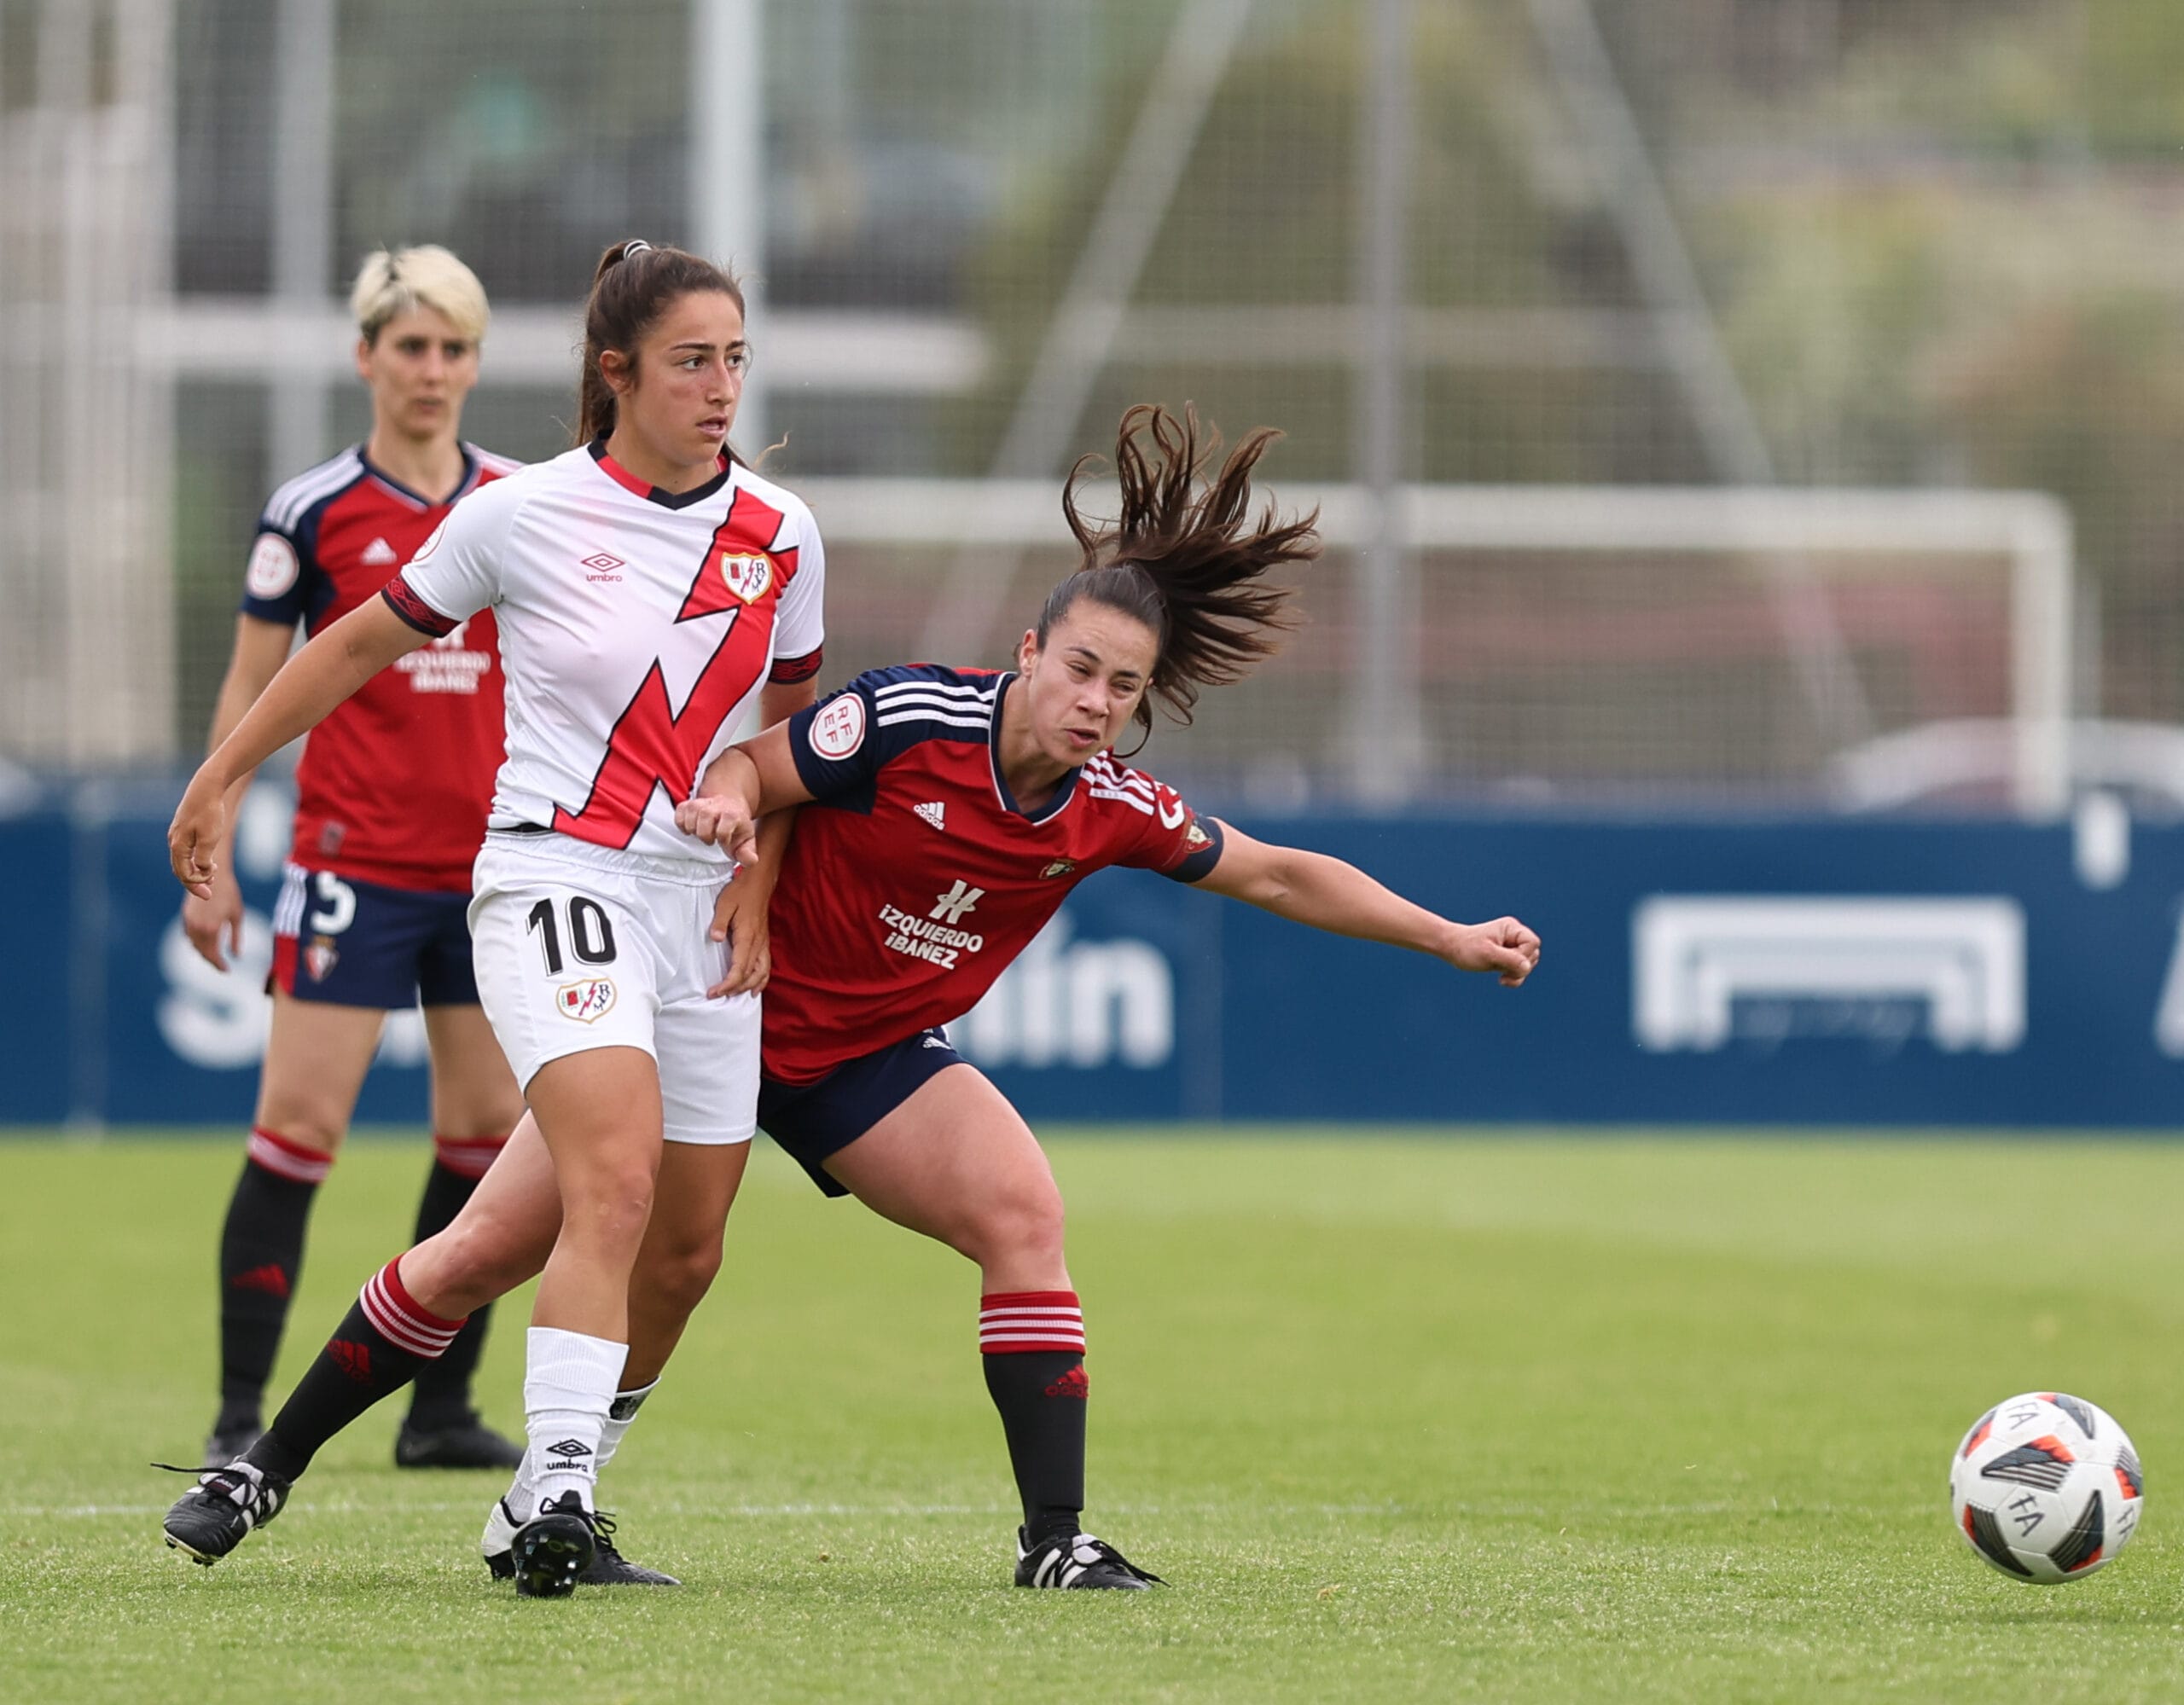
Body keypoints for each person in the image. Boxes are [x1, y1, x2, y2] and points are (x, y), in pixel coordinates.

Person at [159, 405, 1536, 1596]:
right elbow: (759, 766)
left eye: (1124, 686)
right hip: (715, 1002)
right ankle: (262, 1469)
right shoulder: (908, 718)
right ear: (1028, 652)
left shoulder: (1110, 806)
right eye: (1079, 670)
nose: (1097, 702)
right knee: (486, 1253)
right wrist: (729, 828)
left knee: (1017, 1211)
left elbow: (1284, 875)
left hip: (859, 1060)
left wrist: (1450, 936)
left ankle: (1046, 1538)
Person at [160, 240, 825, 1598]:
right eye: (693, 360)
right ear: (615, 370)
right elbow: (347, 644)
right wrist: (220, 777)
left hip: (698, 915)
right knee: (617, 1180)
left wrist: (758, 863)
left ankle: (265, 1462)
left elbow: (792, 734)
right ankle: (563, 1496)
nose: (720, 387)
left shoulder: (783, 533)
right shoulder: (524, 513)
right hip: (552, 877)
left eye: (736, 360)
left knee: (656, 1246)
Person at [189, 245, 526, 1470]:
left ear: (477, 363)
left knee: (488, 1138)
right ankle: (239, 1417)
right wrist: (216, 831)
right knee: (297, 1126)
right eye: (409, 347)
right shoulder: (313, 509)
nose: (431, 371)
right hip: (353, 860)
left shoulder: (517, 501)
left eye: (452, 349)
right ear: (366, 358)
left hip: (494, 870)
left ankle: (438, 1411)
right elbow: (252, 678)